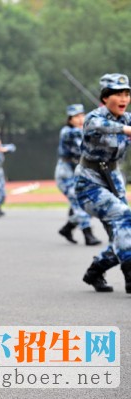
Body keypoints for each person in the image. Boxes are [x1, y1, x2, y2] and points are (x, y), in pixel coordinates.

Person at [76, 73, 131, 294]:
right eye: (118, 94)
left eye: (126, 94)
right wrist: (125, 130)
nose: (123, 98)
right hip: (89, 183)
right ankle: (130, 274)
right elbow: (99, 125)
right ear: (106, 97)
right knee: (123, 216)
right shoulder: (93, 118)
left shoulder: (127, 118)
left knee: (124, 230)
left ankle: (95, 271)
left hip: (114, 180)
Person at [54, 104, 101, 246]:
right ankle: (88, 235)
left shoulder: (82, 131)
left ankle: (67, 228)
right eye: (76, 116)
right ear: (69, 119)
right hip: (65, 173)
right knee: (79, 203)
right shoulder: (68, 132)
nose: (80, 119)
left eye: (82, 115)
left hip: (79, 171)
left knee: (87, 204)